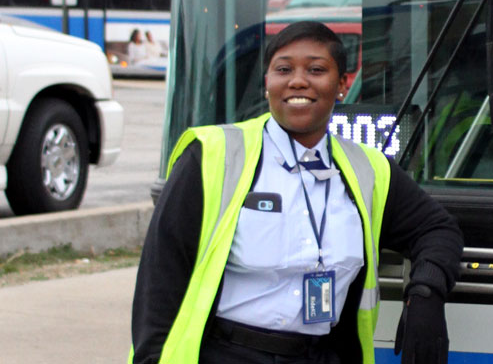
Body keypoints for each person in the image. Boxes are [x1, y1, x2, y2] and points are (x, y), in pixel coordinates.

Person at [130, 21, 463, 364]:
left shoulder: (369, 169)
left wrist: (425, 294)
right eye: (283, 69)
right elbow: (160, 281)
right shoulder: (212, 155)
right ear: (267, 83)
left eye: (316, 70)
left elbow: (437, 229)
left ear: (342, 85)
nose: (298, 81)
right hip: (229, 354)